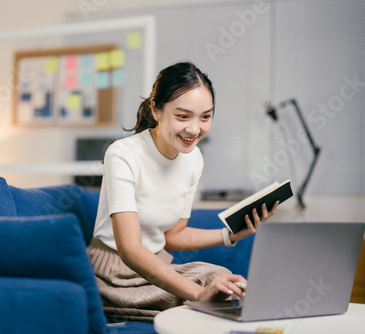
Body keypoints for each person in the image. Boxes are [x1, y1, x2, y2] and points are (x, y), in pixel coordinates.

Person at [87, 62, 278, 321]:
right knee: (206, 299)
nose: (194, 129)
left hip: (159, 265)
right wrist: (198, 295)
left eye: (205, 116)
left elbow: (173, 236)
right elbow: (130, 249)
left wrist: (229, 234)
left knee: (222, 280)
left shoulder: (193, 158)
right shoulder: (123, 154)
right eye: (182, 116)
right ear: (156, 110)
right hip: (115, 274)